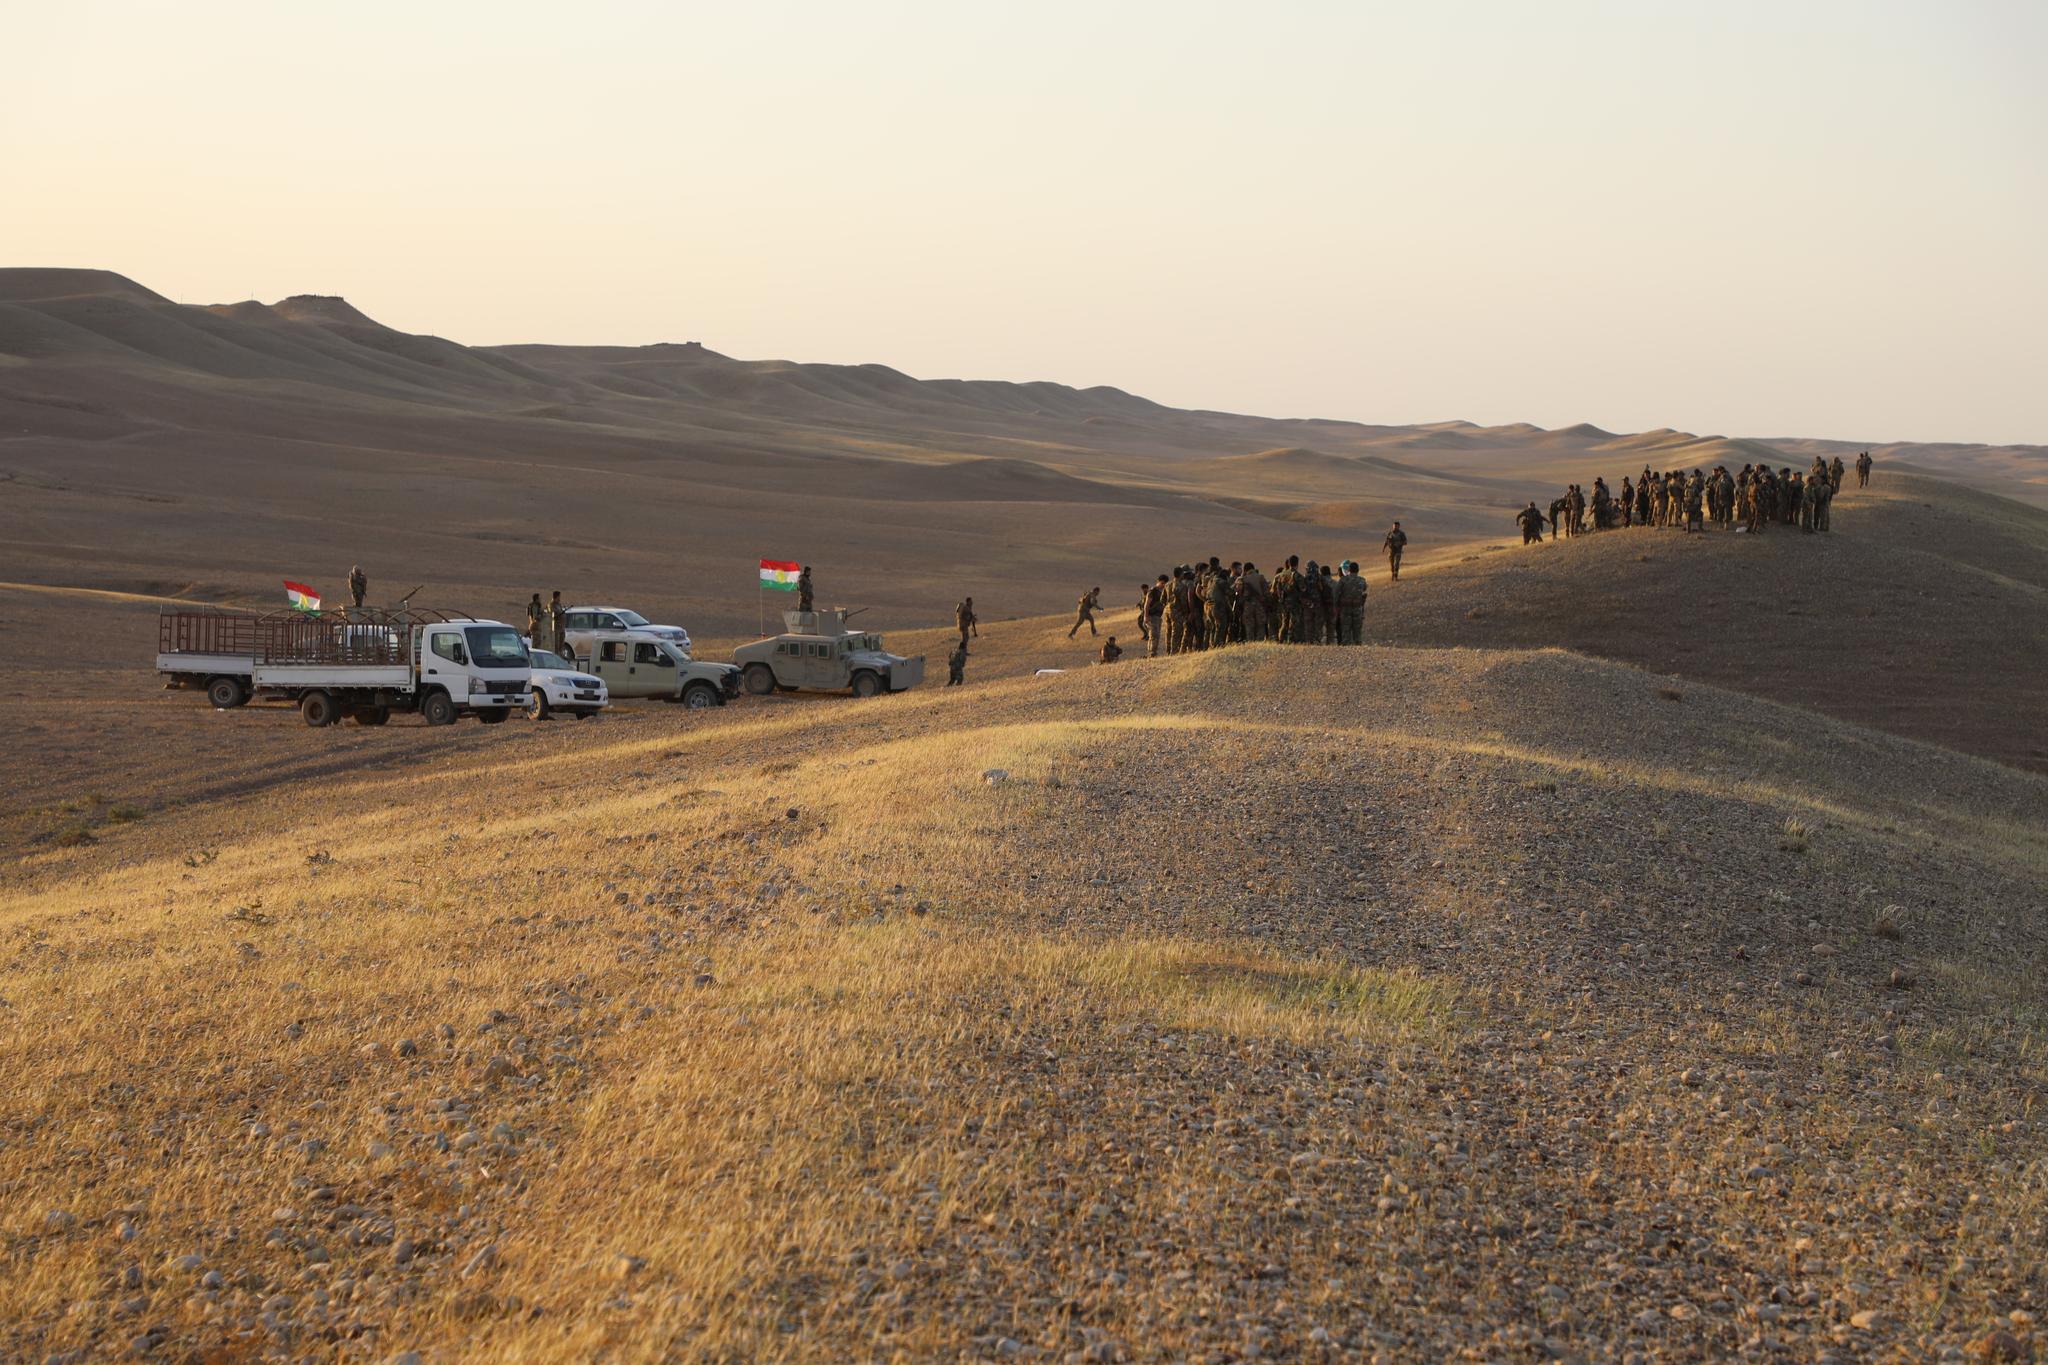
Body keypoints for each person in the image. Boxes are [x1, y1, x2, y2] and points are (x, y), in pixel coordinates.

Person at [1335, 560, 1368, 644]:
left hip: (1345, 609)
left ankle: (1347, 651)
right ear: (1358, 570)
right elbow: (1364, 589)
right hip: (1357, 609)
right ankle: (1357, 650)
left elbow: (1336, 593)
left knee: (1346, 632)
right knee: (1357, 633)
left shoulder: (1342, 580)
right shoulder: (1362, 580)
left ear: (1349, 570)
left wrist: (1336, 605)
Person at [1143, 574, 1167, 658]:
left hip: (1157, 617)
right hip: (1151, 616)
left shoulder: (1163, 592)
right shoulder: (1153, 591)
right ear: (1158, 581)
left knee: (1154, 635)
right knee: (1154, 635)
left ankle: (1151, 653)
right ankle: (1152, 653)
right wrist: (1146, 616)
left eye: (1165, 583)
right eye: (1162, 583)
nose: (1163, 585)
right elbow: (1147, 604)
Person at [548, 591, 566, 656]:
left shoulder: (559, 604)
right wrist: (559, 614)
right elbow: (552, 614)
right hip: (556, 628)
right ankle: (556, 656)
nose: (560, 598)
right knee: (556, 644)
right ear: (556, 597)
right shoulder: (551, 604)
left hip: (561, 627)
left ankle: (561, 655)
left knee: (561, 644)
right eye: (559, 597)